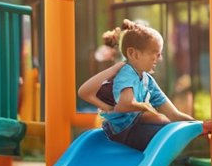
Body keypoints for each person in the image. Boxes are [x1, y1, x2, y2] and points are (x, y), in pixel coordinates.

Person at [77, 20, 199, 151]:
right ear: (133, 54)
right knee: (165, 129)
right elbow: (125, 104)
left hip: (132, 127)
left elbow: (174, 115)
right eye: (155, 53)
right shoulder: (127, 72)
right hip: (121, 133)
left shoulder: (147, 80)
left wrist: (199, 125)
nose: (159, 58)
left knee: (166, 124)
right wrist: (148, 109)